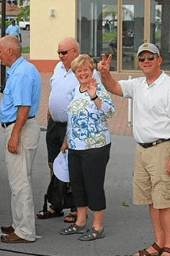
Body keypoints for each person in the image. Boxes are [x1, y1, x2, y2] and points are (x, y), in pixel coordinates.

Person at [98, 42, 170, 256]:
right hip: (142, 150)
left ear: (159, 60)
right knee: (151, 200)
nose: (146, 61)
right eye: (142, 58)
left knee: (165, 201)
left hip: (163, 149)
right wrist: (104, 73)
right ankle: (158, 243)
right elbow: (113, 87)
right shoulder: (138, 84)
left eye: (150, 57)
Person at [37, 37, 100, 223]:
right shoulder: (58, 68)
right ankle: (56, 203)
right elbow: (54, 91)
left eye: (63, 52)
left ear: (75, 51)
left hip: (74, 126)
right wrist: (49, 111)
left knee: (74, 168)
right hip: (54, 124)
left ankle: (76, 207)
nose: (60, 56)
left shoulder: (83, 71)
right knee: (54, 165)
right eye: (58, 52)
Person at [59, 54, 115, 241]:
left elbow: (110, 111)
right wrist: (66, 140)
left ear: (92, 71)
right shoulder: (75, 90)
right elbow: (72, 119)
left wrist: (94, 97)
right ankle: (80, 222)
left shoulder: (98, 88)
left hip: (96, 147)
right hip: (75, 146)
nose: (82, 73)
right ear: (75, 73)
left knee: (93, 185)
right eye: (79, 70)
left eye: (86, 69)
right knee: (77, 185)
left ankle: (97, 226)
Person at [0, 35, 41, 243]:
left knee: (20, 183)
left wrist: (14, 136)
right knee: (18, 181)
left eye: (0, 51)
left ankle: (24, 231)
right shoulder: (20, 69)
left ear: (10, 51)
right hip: (19, 127)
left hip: (20, 128)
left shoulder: (22, 72)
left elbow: (24, 107)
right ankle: (18, 224)